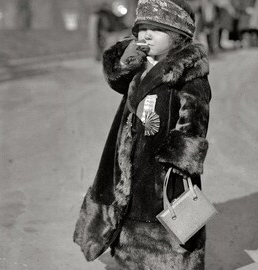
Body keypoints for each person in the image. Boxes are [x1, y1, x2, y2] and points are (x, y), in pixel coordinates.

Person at [74, 0, 212, 269]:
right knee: (127, 204)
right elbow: (116, 79)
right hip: (128, 152)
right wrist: (126, 57)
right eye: (142, 28)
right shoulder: (141, 63)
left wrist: (180, 161)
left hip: (161, 164)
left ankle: (166, 261)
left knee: (161, 213)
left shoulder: (188, 72)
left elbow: (195, 119)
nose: (146, 35)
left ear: (177, 37)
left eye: (156, 29)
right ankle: (129, 256)